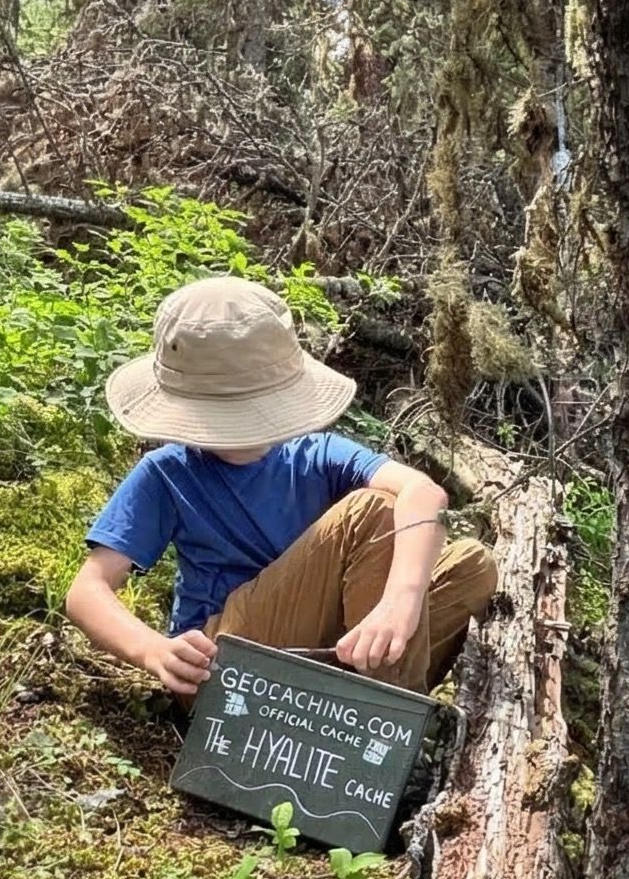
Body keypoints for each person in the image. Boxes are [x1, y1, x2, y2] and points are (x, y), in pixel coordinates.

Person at [62, 277, 497, 704]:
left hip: (324, 652)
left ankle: (359, 704)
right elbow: (87, 591)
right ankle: (382, 719)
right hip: (224, 662)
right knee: (373, 511)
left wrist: (400, 603)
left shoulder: (316, 455)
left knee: (470, 566)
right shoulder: (169, 474)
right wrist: (154, 651)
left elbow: (423, 494)